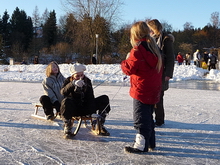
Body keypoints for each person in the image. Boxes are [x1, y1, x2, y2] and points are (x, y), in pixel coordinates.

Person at [121, 21, 163, 153]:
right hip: (153, 89)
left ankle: (141, 145)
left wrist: (124, 62)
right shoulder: (154, 48)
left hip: (141, 89)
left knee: (140, 117)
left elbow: (129, 69)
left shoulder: (138, 50)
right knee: (148, 116)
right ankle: (151, 142)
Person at [60, 63, 111, 138]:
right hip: (74, 108)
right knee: (66, 101)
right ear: (73, 76)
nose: (80, 78)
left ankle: (98, 123)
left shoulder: (87, 81)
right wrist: (73, 84)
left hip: (86, 107)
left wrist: (92, 112)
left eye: (82, 75)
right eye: (77, 76)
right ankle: (67, 125)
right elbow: (63, 92)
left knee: (104, 98)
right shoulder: (68, 81)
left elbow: (90, 97)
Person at [147, 19, 175, 127]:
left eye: (150, 28)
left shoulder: (165, 39)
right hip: (152, 73)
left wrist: (168, 73)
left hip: (162, 73)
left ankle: (159, 120)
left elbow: (170, 59)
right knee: (152, 96)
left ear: (154, 28)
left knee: (158, 96)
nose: (149, 30)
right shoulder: (150, 39)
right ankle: (151, 118)